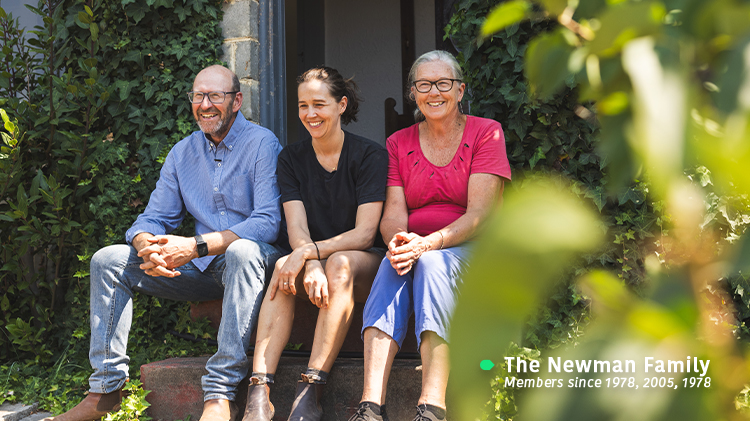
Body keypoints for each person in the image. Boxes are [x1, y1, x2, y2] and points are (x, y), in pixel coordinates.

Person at [46, 65, 284, 421]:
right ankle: (106, 390)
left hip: (253, 264)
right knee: (108, 259)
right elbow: (153, 218)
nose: (205, 104)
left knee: (242, 250)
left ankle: (220, 393)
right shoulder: (182, 153)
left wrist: (195, 246)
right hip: (202, 268)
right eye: (198, 96)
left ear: (236, 101)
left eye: (215, 96)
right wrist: (147, 245)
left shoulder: (263, 144)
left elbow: (267, 222)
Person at [349, 51, 511, 421]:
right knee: (392, 266)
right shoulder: (398, 142)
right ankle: (370, 406)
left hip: (471, 248)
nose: (433, 92)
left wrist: (427, 244)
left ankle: (432, 405)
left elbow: (480, 215)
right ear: (413, 93)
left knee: (433, 264)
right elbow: (393, 214)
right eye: (424, 85)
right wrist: (399, 242)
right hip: (418, 246)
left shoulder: (486, 132)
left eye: (443, 83)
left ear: (460, 90)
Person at [242, 67, 388, 421]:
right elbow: (296, 226)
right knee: (283, 265)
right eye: (303, 105)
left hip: (364, 263)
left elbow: (365, 233)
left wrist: (309, 253)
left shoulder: (370, 155)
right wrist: (308, 262)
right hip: (317, 259)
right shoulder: (291, 159)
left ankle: (310, 388)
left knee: (338, 263)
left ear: (341, 105)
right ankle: (259, 390)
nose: (310, 114)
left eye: (319, 104)